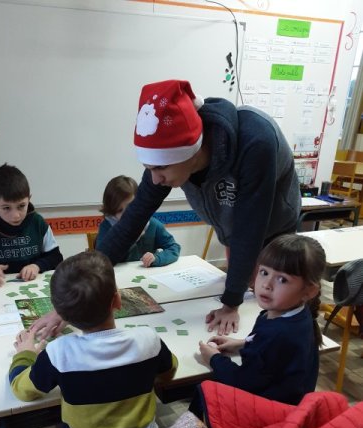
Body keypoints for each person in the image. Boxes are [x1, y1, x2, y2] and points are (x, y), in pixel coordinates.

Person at [95, 79, 301, 336]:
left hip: (274, 228)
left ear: (192, 152)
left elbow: (249, 230)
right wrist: (88, 280)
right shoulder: (168, 158)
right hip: (234, 229)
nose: (155, 179)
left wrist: (230, 304)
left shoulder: (256, 142)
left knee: (273, 309)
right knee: (242, 291)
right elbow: (133, 219)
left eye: (159, 168)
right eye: (149, 169)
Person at [9, 250, 178, 428]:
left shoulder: (58, 353)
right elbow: (169, 372)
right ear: (117, 300)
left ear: (61, 314)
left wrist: (25, 354)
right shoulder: (149, 340)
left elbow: (21, 390)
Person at [198, 234, 325, 405]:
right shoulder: (297, 314)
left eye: (282, 279)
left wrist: (214, 359)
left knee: (202, 392)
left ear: (309, 291)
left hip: (270, 411)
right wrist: (243, 344)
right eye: (264, 272)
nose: (267, 284)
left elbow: (241, 383)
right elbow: (273, 354)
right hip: (287, 402)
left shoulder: (279, 334)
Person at [96, 175, 181, 267]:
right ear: (111, 210)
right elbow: (100, 260)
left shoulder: (153, 225)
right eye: (119, 210)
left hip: (147, 273)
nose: (125, 215)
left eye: (130, 207)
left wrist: (157, 258)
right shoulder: (106, 226)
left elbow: (174, 247)